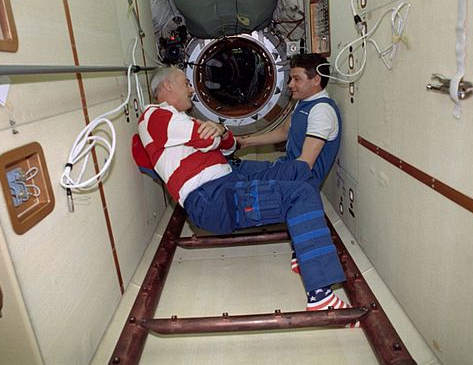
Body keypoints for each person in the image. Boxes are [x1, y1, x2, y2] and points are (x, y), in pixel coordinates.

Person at [132, 67, 351, 314]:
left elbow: (228, 145)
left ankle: (305, 249)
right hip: (211, 199)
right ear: (168, 86)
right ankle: (320, 296)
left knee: (300, 172)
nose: (192, 90)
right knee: (302, 194)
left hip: (227, 180)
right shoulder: (154, 115)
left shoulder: (183, 119)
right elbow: (207, 140)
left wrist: (220, 131)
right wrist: (216, 133)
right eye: (186, 83)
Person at [235, 53, 341, 274]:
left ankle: (304, 249)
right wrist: (246, 142)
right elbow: (284, 132)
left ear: (316, 80)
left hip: (301, 178)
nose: (290, 84)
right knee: (238, 168)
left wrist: (269, 176)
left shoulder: (321, 111)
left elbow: (305, 164)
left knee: (242, 181)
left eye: (296, 79)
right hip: (289, 167)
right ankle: (299, 247)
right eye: (290, 79)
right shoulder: (304, 103)